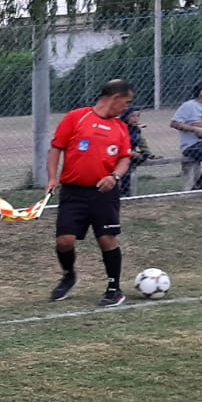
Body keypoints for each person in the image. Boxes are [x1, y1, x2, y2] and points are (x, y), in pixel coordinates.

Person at [45, 79, 135, 307]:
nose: (127, 107)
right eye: (126, 102)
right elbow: (56, 148)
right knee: (64, 241)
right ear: (115, 98)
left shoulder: (120, 128)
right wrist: (53, 178)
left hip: (104, 194)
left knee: (107, 239)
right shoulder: (77, 117)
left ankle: (114, 289)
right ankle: (69, 276)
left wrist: (114, 177)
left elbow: (124, 159)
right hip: (73, 192)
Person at [116, 106, 154, 197]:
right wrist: (131, 152)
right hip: (117, 153)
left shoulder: (136, 129)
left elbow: (141, 142)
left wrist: (149, 154)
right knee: (127, 162)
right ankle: (124, 191)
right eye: (132, 116)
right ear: (126, 116)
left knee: (140, 157)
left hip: (131, 154)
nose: (135, 119)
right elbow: (117, 144)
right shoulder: (119, 128)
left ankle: (125, 191)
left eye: (138, 116)